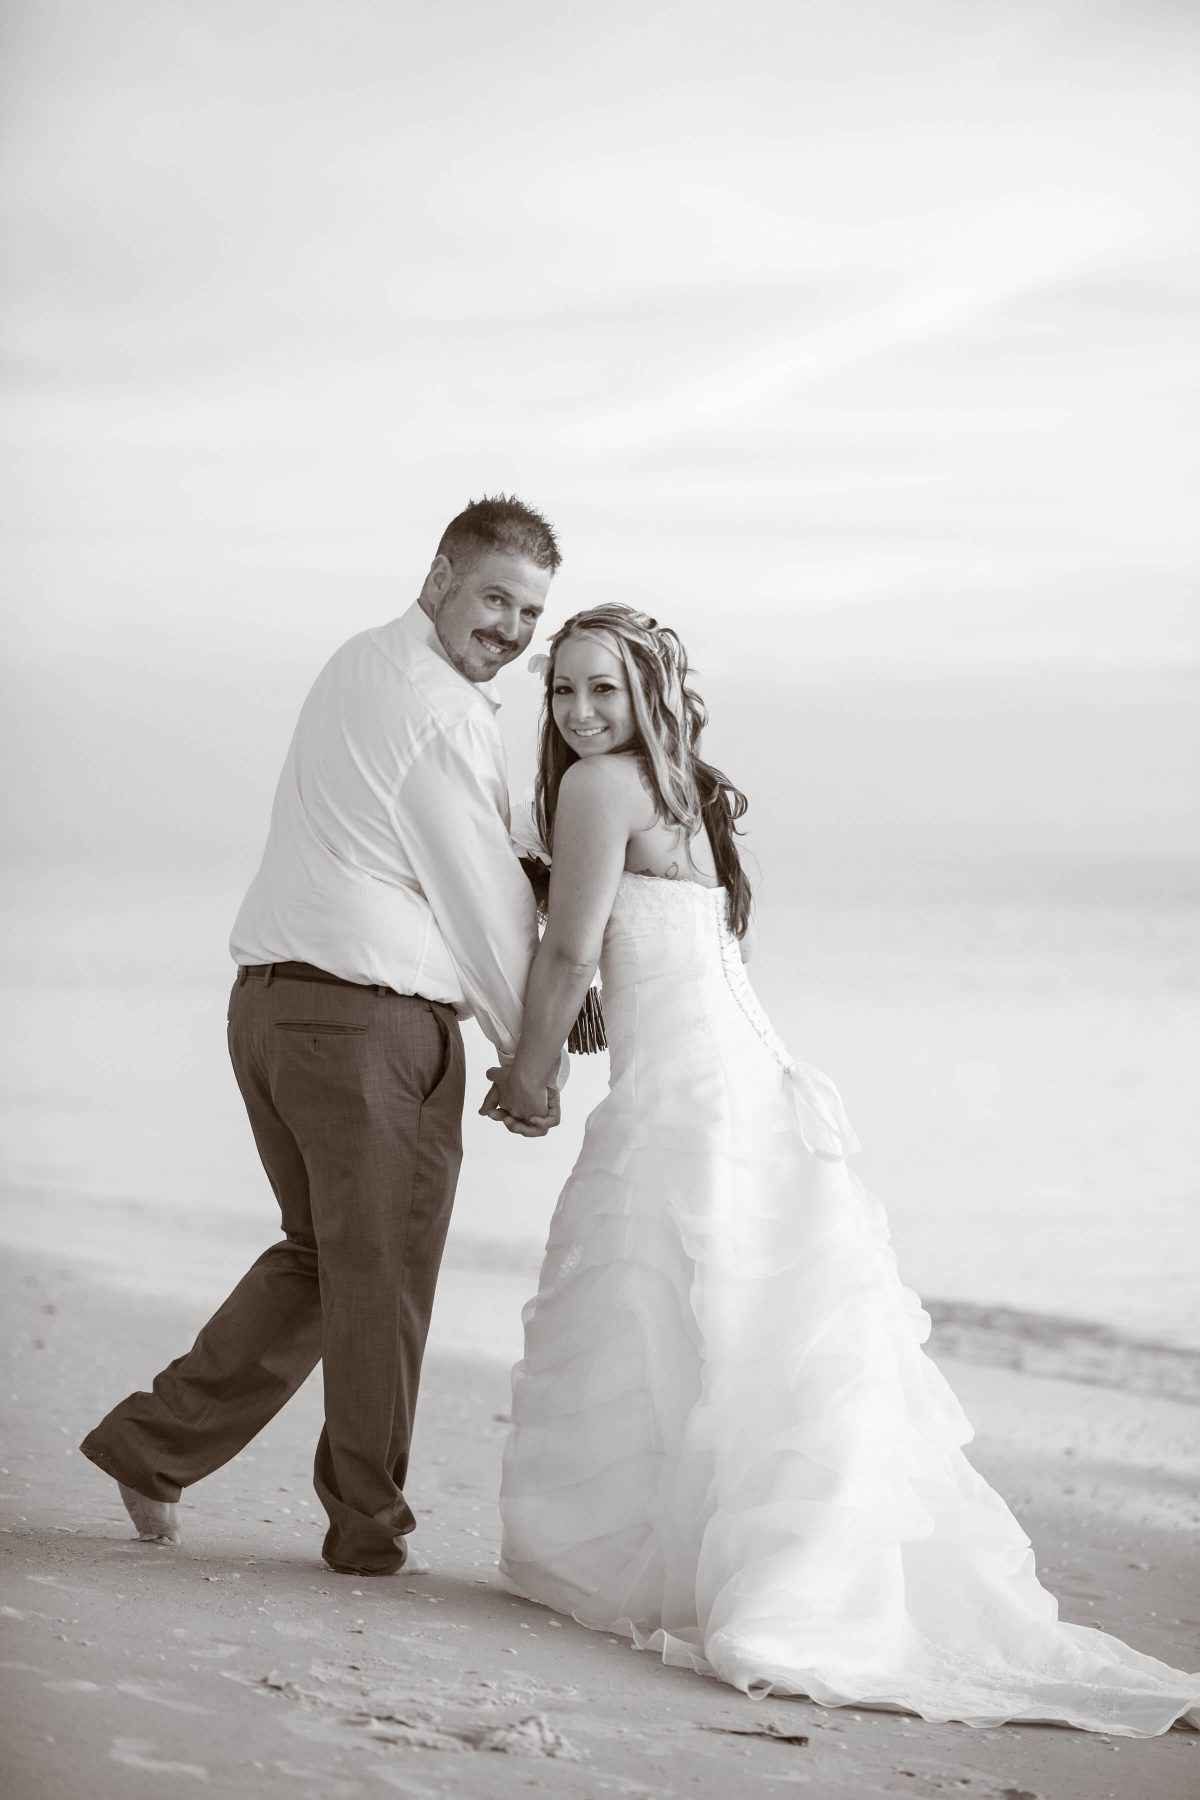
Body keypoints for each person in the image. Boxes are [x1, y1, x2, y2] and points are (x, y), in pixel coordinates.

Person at [487, 602, 1200, 1735]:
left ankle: (765, 1586)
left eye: (602, 690)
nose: (577, 712)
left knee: (691, 1319)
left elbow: (574, 951)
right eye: (562, 690)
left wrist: (530, 1076)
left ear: (649, 697)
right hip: (739, 1078)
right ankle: (765, 1571)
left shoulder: (599, 787)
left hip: (690, 1092)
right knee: (742, 1330)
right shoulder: (682, 791)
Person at [81, 494, 565, 1578]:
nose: (511, 628)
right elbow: (481, 900)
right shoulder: (440, 712)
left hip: (272, 1012)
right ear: (440, 577)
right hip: (364, 1027)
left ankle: (152, 1447)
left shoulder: (363, 662)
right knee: (379, 1277)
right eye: (495, 596)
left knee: (325, 1259)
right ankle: (366, 1531)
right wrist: (532, 1059)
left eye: (530, 611)